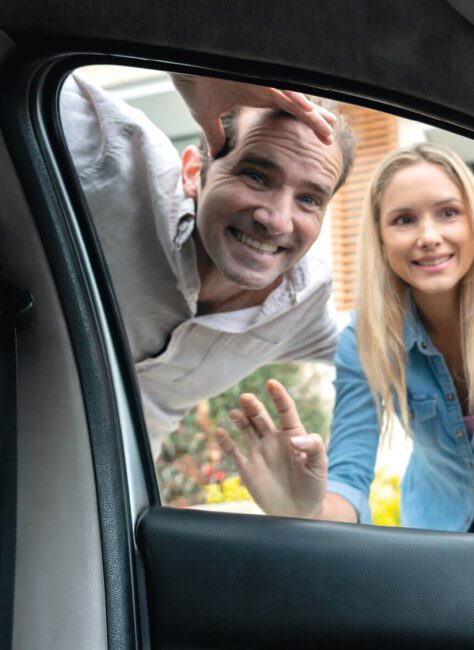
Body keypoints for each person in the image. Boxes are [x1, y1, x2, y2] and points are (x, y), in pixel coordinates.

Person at [216, 143, 474, 533]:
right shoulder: (365, 339)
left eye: (448, 213)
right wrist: (307, 508)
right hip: (437, 541)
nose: (428, 236)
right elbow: (349, 479)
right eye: (404, 220)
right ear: (380, 236)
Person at [60, 71, 357, 455]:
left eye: (309, 199)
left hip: (106, 498)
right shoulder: (116, 154)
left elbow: (389, 351)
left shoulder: (304, 309)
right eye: (255, 176)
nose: (277, 220)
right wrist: (183, 61)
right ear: (193, 172)